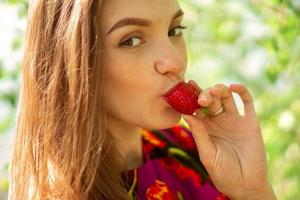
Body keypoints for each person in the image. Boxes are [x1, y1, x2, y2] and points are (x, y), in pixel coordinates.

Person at [8, 0, 277, 199]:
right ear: (71, 63)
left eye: (174, 30)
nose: (174, 61)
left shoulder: (189, 147)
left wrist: (252, 190)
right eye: (131, 40)